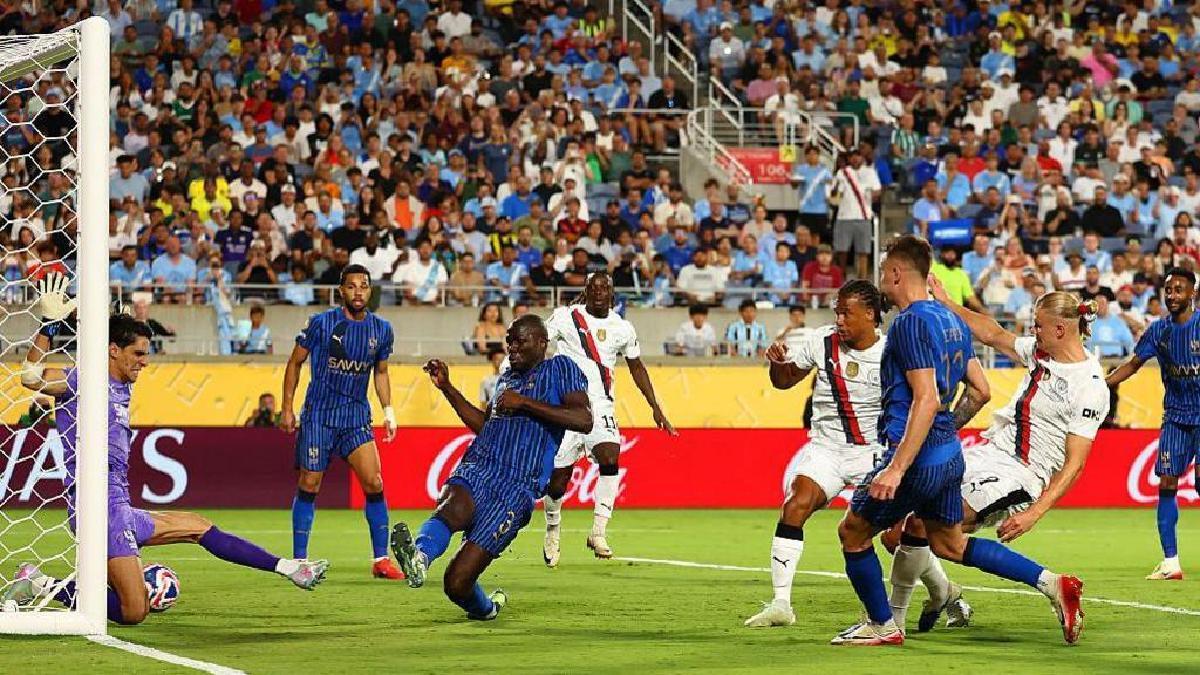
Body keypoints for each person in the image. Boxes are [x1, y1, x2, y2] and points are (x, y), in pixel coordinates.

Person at [5, 279, 326, 625]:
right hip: (97, 506)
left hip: (119, 504)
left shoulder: (121, 385)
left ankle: (288, 567)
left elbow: (114, 333)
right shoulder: (84, 378)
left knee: (197, 526)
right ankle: (40, 584)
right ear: (114, 351)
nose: (145, 362)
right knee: (134, 610)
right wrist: (48, 327)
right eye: (138, 354)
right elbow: (30, 378)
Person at [831, 235, 1083, 646]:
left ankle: (883, 624)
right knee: (948, 542)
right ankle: (1051, 582)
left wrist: (898, 466)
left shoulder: (909, 323)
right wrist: (946, 429)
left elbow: (926, 398)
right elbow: (980, 391)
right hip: (950, 453)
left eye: (884, 274)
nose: (882, 283)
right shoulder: (951, 322)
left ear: (897, 273)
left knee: (853, 532)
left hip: (918, 455)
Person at [891, 279, 1110, 633]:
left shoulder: (1090, 386)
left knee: (931, 527)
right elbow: (992, 334)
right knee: (906, 526)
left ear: (1060, 328)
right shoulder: (1041, 353)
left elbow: (1076, 463)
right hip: (986, 454)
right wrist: (947, 302)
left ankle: (894, 619)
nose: (1032, 332)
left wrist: (1034, 513)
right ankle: (942, 596)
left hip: (1020, 474)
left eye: (1038, 325)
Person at [389, 316, 592, 620]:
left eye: (519, 340)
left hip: (517, 487)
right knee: (451, 507)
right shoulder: (506, 379)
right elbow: (486, 426)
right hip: (481, 465)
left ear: (541, 342)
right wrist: (447, 388)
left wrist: (524, 403)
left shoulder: (560, 368)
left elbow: (583, 420)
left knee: (457, 584)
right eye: (509, 341)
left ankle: (487, 609)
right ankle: (419, 558)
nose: (511, 347)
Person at [744, 281, 890, 628]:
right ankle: (781, 605)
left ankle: (943, 590)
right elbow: (785, 381)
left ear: (870, 315)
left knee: (897, 534)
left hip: (873, 452)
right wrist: (778, 365)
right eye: (836, 312)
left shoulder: (891, 351)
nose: (839, 319)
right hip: (826, 448)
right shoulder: (821, 340)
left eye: (846, 313)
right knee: (795, 505)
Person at [279, 264, 405, 580]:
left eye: (364, 285)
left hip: (355, 417)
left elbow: (382, 372)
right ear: (341, 291)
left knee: (374, 483)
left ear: (370, 290)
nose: (358, 291)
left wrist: (389, 410)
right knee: (310, 484)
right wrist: (286, 408)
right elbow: (294, 362)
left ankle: (380, 560)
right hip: (319, 416)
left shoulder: (382, 329)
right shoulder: (321, 324)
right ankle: (299, 561)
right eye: (352, 286)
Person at [541, 273, 676, 563]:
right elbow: (539, 343)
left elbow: (637, 367)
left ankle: (598, 531)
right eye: (595, 287)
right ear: (586, 291)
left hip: (601, 407)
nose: (600, 292)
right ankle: (553, 527)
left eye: (605, 288)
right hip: (566, 406)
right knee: (557, 482)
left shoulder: (622, 328)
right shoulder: (566, 317)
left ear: (612, 294)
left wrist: (656, 406)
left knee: (611, 456)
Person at [1106, 268, 1200, 581]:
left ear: (1192, 292)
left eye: (1179, 290)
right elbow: (1133, 365)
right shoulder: (1159, 330)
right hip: (1175, 416)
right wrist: (1102, 384)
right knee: (1167, 484)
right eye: (1169, 290)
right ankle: (1170, 562)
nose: (1172, 296)